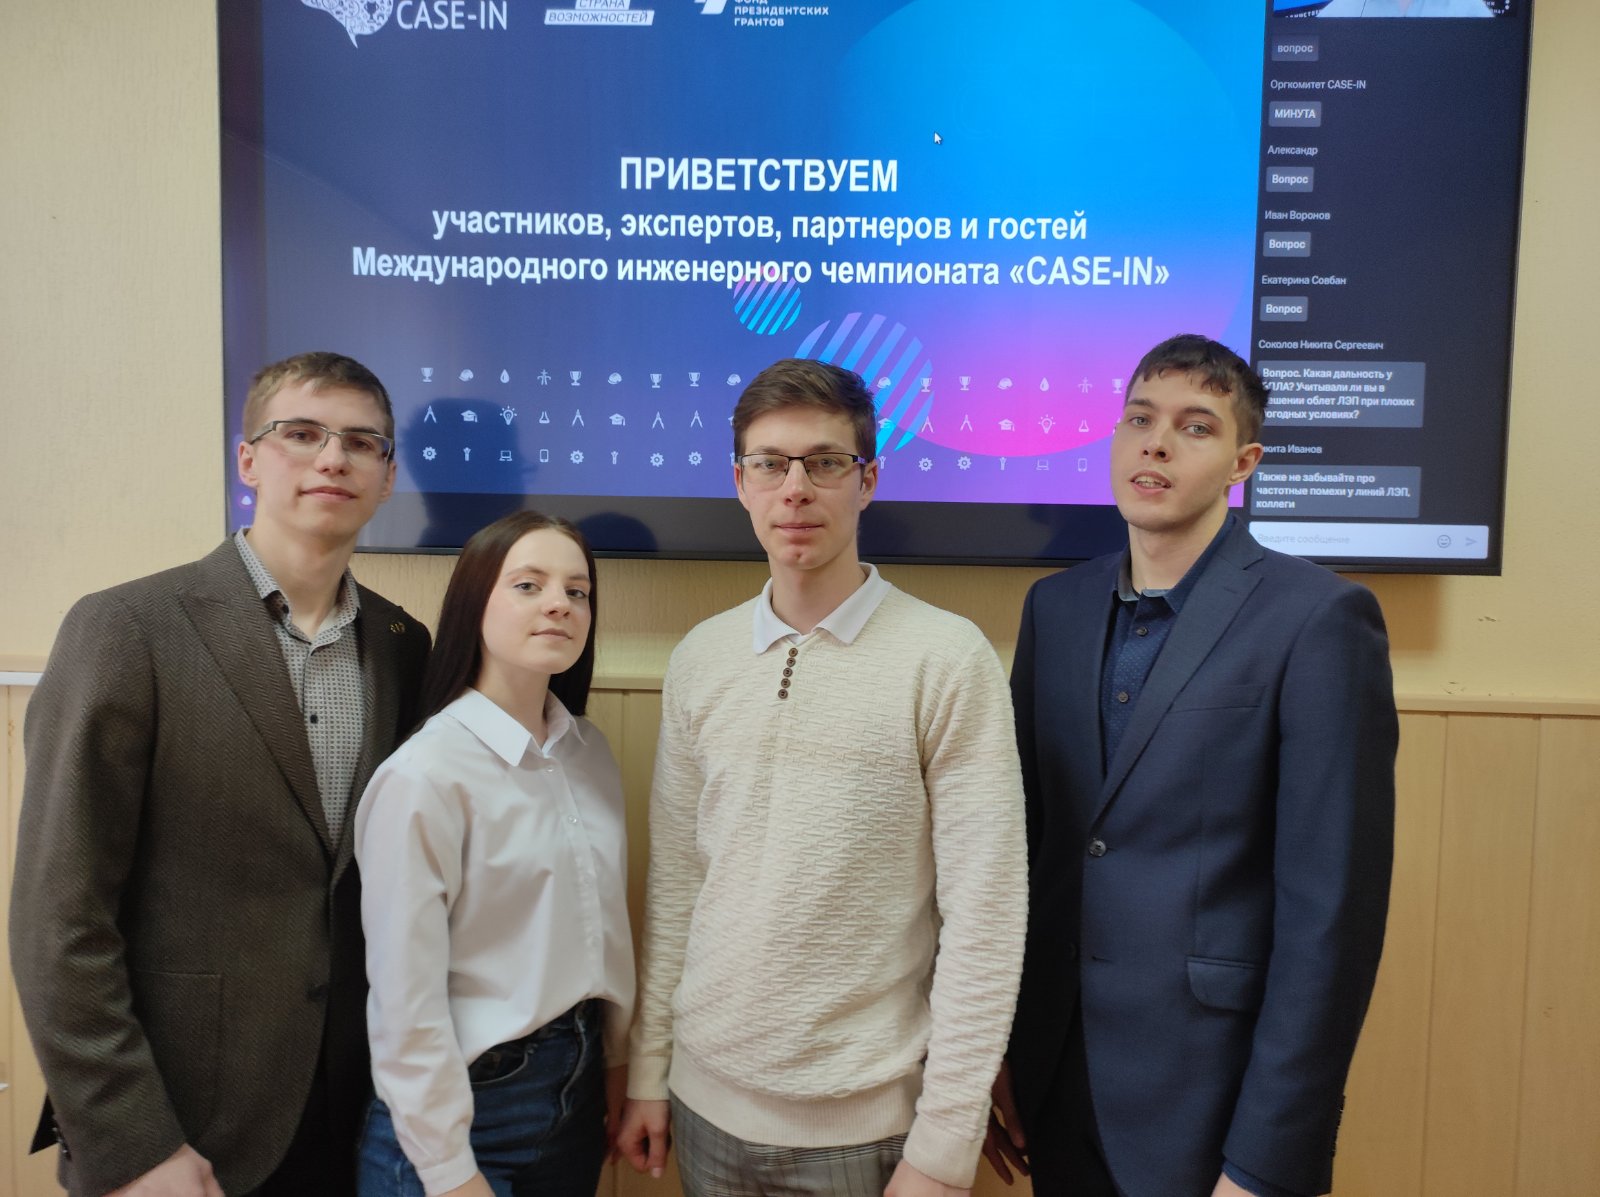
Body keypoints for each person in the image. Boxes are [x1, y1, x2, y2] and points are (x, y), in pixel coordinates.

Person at [10, 351, 432, 1196]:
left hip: (354, 1114)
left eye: (361, 442)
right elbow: (60, 916)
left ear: (387, 476)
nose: (333, 457)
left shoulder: (403, 645)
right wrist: (132, 1143)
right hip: (179, 1124)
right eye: (301, 433)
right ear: (248, 459)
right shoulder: (128, 627)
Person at [990, 334, 1397, 1197]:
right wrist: (997, 1053)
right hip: (1056, 1079)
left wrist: (1267, 1156)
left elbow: (1332, 918)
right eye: (1139, 419)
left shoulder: (1319, 619)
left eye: (1195, 426)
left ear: (1243, 463)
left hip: (1211, 1102)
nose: (1157, 444)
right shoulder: (1054, 607)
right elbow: (1021, 850)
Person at [619, 358, 1027, 1197]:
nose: (795, 488)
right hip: (703, 1109)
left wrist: (946, 1142)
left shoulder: (947, 658)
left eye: (825, 462)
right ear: (740, 482)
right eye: (770, 463)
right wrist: (650, 1070)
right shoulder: (701, 656)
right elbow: (678, 885)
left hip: (870, 1130)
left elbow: (985, 915)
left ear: (868, 479)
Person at [353, 511, 634, 1197]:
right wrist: (448, 1170)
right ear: (473, 604)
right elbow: (404, 1001)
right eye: (529, 585)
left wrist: (617, 1066)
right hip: (463, 1111)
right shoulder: (424, 774)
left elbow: (605, 936)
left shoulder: (589, 751)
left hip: (574, 1098)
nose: (559, 604)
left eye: (577, 591)